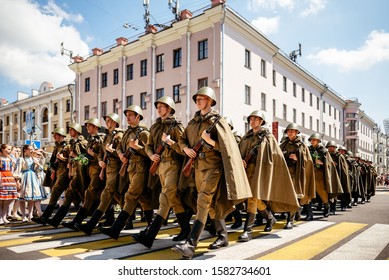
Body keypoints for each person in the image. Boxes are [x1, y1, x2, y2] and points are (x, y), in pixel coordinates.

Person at [171, 86, 251, 259]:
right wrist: (185, 149)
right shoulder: (193, 122)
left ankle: (191, 244)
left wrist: (211, 142)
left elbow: (228, 148)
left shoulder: (218, 121)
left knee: (203, 200)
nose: (198, 101)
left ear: (210, 100)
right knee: (210, 204)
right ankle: (223, 235)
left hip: (214, 166)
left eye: (201, 98)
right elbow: (182, 139)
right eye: (197, 99)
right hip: (197, 167)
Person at [133, 96, 190, 248]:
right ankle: (186, 230)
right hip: (160, 168)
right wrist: (152, 155)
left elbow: (183, 149)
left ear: (170, 108)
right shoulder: (155, 127)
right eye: (157, 106)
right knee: (174, 199)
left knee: (164, 199)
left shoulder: (177, 126)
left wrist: (170, 143)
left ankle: (149, 236)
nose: (158, 109)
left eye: (162, 106)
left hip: (173, 166)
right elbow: (148, 146)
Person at [238, 111, 299, 241]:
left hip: (260, 171)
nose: (253, 121)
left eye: (256, 119)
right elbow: (239, 151)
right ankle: (270, 218)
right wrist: (241, 160)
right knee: (252, 198)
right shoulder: (246, 137)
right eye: (251, 119)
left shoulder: (267, 137)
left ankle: (247, 231)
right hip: (246, 171)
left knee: (253, 199)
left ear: (261, 122)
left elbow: (275, 155)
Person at [99, 105, 153, 240]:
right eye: (126, 115)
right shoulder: (127, 133)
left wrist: (138, 148)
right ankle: (151, 226)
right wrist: (121, 155)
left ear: (138, 117)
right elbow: (118, 148)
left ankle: (116, 229)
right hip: (129, 168)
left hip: (141, 168)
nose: (127, 117)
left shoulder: (144, 133)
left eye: (131, 115)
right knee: (143, 198)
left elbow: (149, 152)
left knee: (131, 196)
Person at [76, 113, 123, 235]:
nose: (107, 123)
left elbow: (123, 154)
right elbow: (102, 152)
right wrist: (100, 159)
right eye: (106, 120)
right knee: (116, 195)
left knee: (106, 194)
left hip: (115, 169)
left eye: (109, 120)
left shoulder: (119, 136)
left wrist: (106, 153)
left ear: (115, 122)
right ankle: (124, 219)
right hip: (105, 168)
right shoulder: (107, 136)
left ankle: (90, 225)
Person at [62, 118, 105, 230]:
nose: (87, 128)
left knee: (90, 194)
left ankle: (78, 221)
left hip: (97, 170)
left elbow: (103, 156)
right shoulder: (90, 140)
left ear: (96, 126)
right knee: (101, 195)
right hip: (90, 170)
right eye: (87, 126)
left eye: (89, 126)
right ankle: (109, 218)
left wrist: (93, 155)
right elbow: (85, 159)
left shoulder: (100, 139)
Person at [46, 123, 88, 228]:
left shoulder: (83, 143)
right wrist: (70, 168)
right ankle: (57, 220)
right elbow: (71, 160)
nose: (69, 131)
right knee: (70, 195)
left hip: (82, 174)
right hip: (74, 173)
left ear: (77, 130)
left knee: (88, 197)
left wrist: (75, 156)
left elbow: (86, 160)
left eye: (71, 129)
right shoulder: (72, 143)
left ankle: (90, 220)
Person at [279, 123, 315, 228]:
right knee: (286, 196)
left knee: (293, 195)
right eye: (288, 131)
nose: (290, 132)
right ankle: (297, 210)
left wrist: (298, 158)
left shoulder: (302, 145)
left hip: (296, 173)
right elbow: (278, 155)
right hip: (285, 173)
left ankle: (290, 220)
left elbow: (308, 161)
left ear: (296, 132)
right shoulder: (283, 144)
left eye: (292, 131)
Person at [32, 127, 70, 225]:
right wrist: (53, 171)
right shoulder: (57, 146)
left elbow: (70, 160)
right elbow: (53, 161)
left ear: (61, 135)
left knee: (59, 194)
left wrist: (63, 159)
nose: (54, 136)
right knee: (59, 195)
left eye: (56, 134)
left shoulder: (66, 146)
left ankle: (47, 218)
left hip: (65, 173)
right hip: (59, 173)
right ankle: (47, 218)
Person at [308, 135, 342, 217]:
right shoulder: (308, 149)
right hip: (309, 173)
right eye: (311, 140)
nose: (312, 142)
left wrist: (322, 163)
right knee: (307, 193)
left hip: (319, 173)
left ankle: (327, 206)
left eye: (314, 140)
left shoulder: (323, 151)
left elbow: (329, 163)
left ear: (318, 141)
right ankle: (309, 214)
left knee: (321, 192)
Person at [14, 145, 47, 222]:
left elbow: (40, 169)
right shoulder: (21, 159)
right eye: (30, 149)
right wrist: (17, 181)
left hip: (33, 178)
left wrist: (38, 161)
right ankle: (23, 215)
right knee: (22, 198)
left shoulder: (34, 159)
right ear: (25, 150)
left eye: (33, 149)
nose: (32, 151)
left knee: (32, 198)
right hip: (25, 178)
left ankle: (30, 215)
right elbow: (18, 171)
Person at [326, 143, 351, 211]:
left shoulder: (339, 156)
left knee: (340, 192)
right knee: (330, 193)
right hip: (329, 176)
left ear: (334, 147)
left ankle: (341, 206)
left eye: (332, 147)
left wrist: (336, 165)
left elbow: (343, 167)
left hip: (339, 176)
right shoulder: (326, 154)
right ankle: (330, 208)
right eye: (329, 147)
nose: (330, 148)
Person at [0, 144, 18, 225]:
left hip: (9, 178)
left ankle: (4, 217)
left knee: (7, 200)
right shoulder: (0, 158)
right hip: (2, 178)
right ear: (3, 149)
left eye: (10, 149)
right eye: (8, 149)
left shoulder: (10, 159)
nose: (9, 151)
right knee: (1, 200)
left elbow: (12, 170)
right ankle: (0, 217)